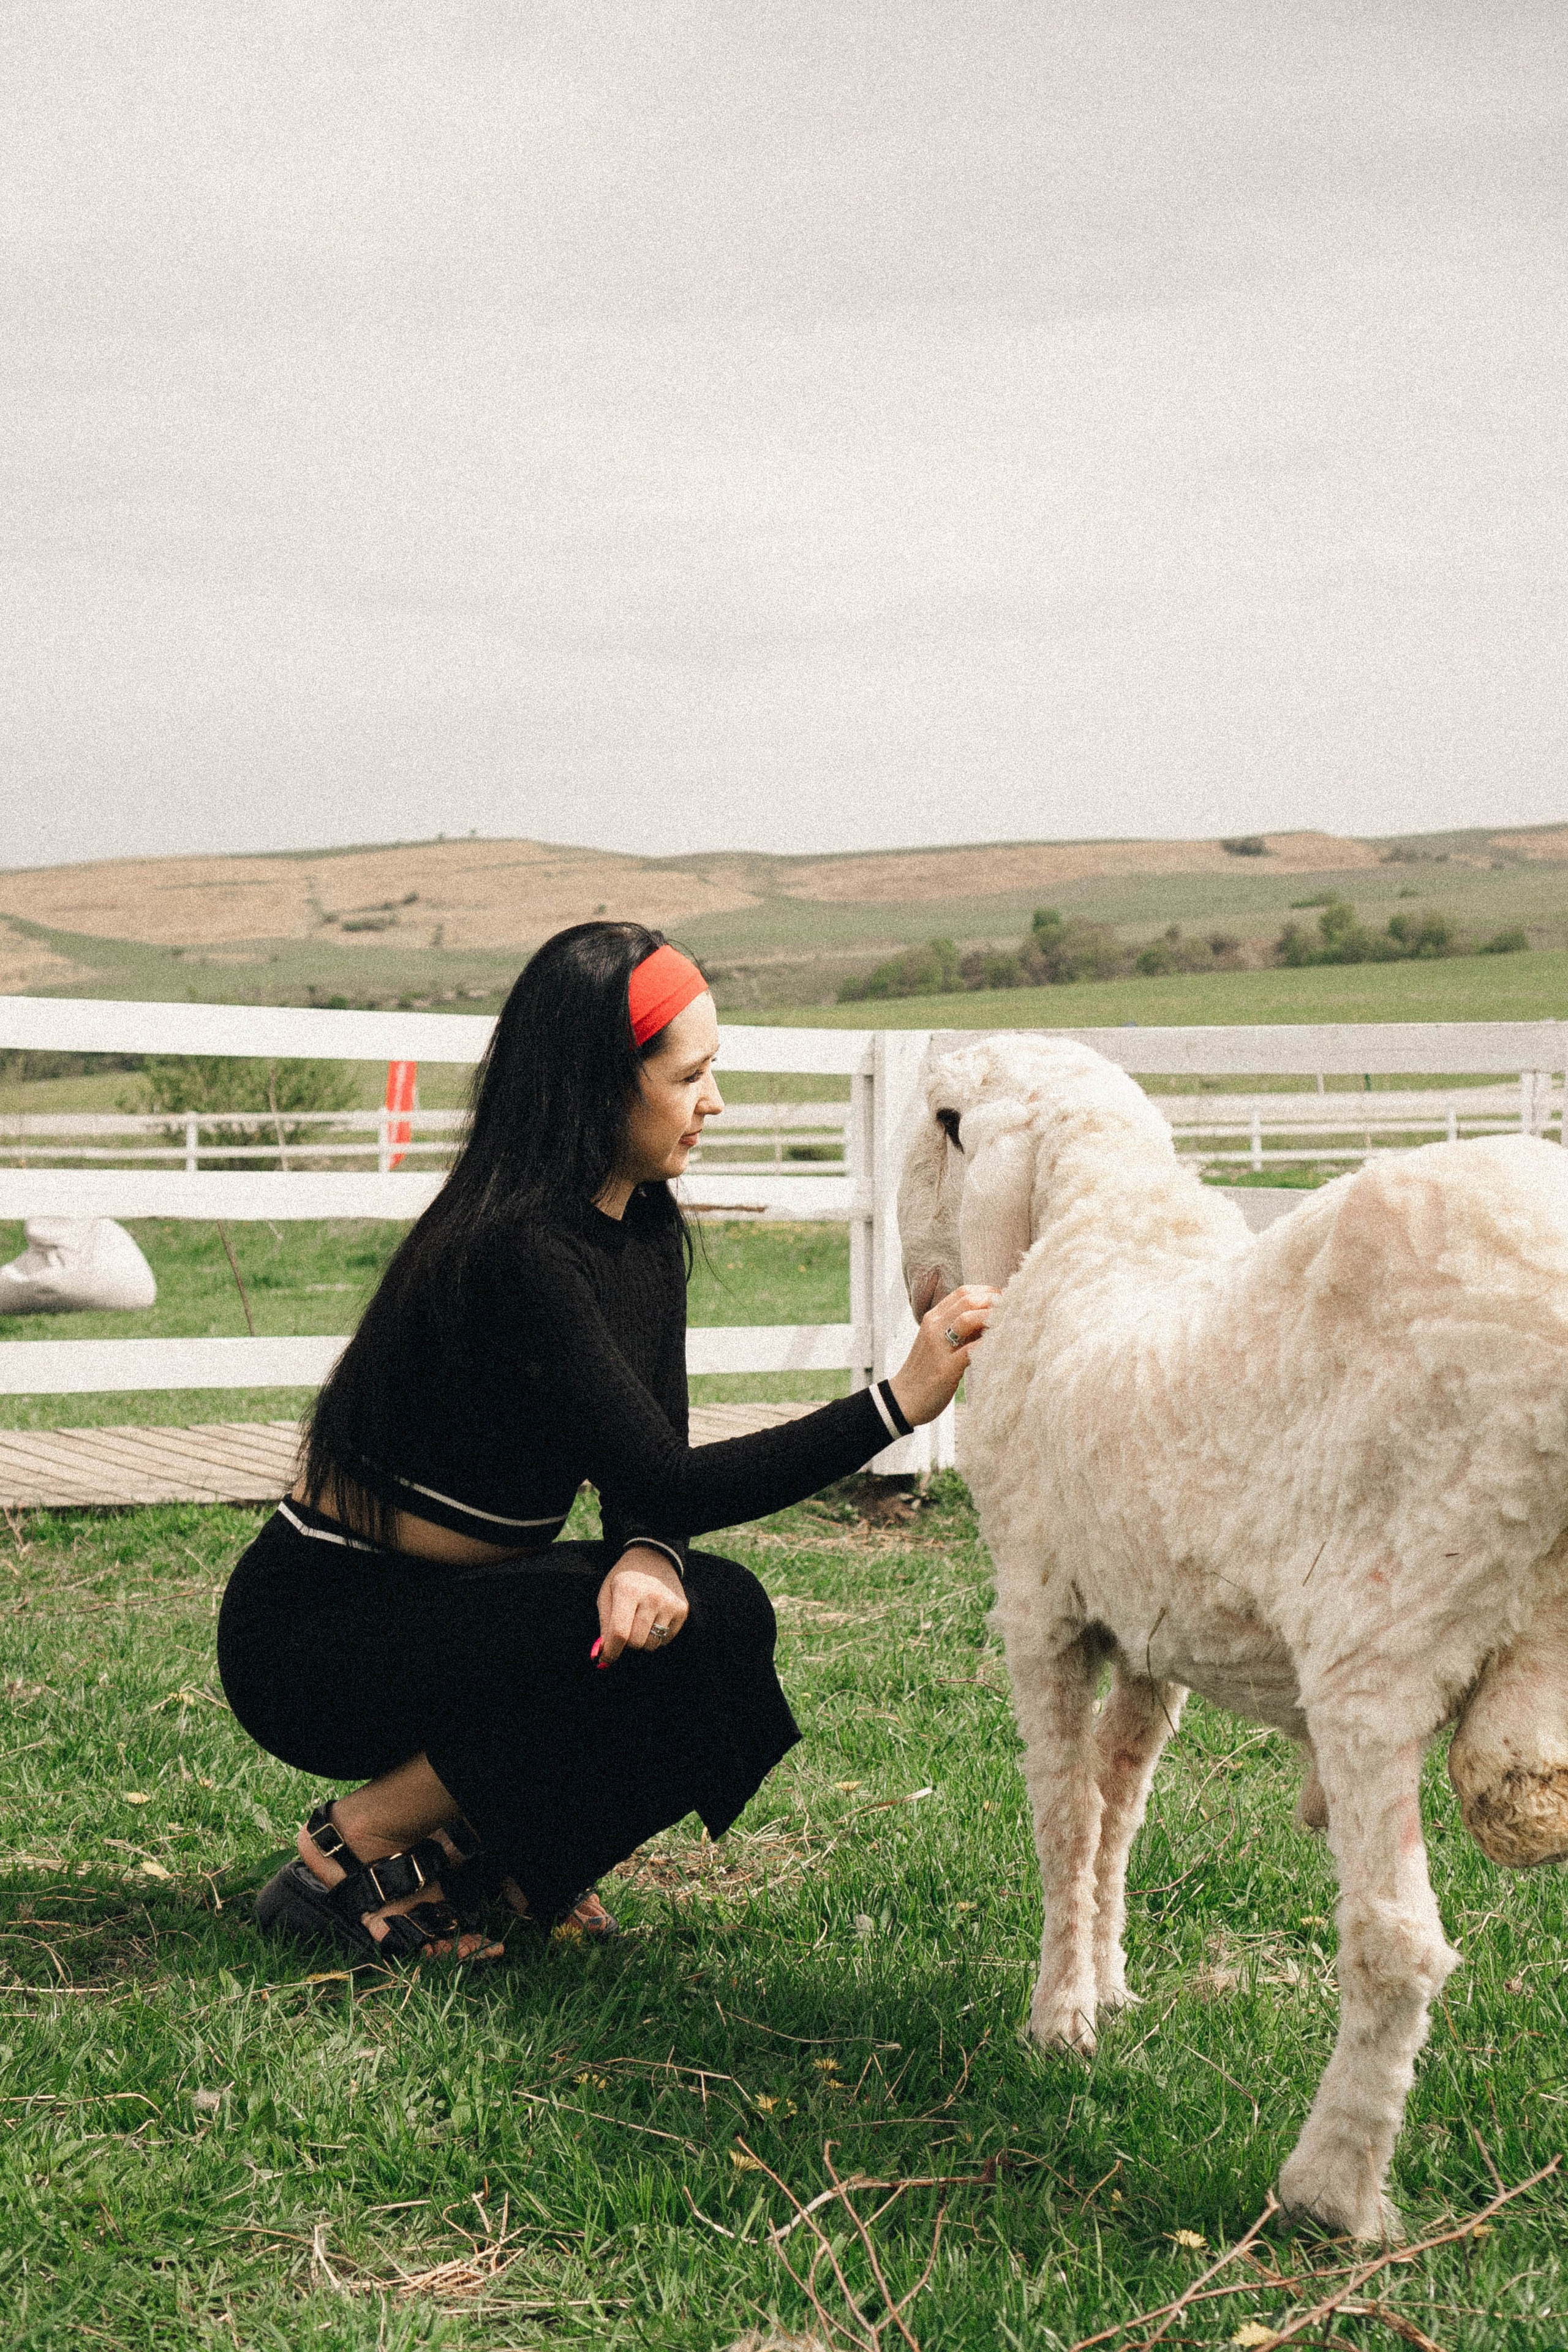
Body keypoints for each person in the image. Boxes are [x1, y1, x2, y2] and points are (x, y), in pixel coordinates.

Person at [217, 923, 992, 1962]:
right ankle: (345, 1856)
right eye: (692, 1075)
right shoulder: (521, 1247)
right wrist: (893, 1407)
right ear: (596, 1082)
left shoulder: (642, 1223)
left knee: (715, 1620)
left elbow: (646, 1460)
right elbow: (670, 1475)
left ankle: (506, 1865)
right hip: (324, 1635)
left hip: (461, 1613)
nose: (714, 1102)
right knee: (681, 1623)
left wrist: (646, 1547)